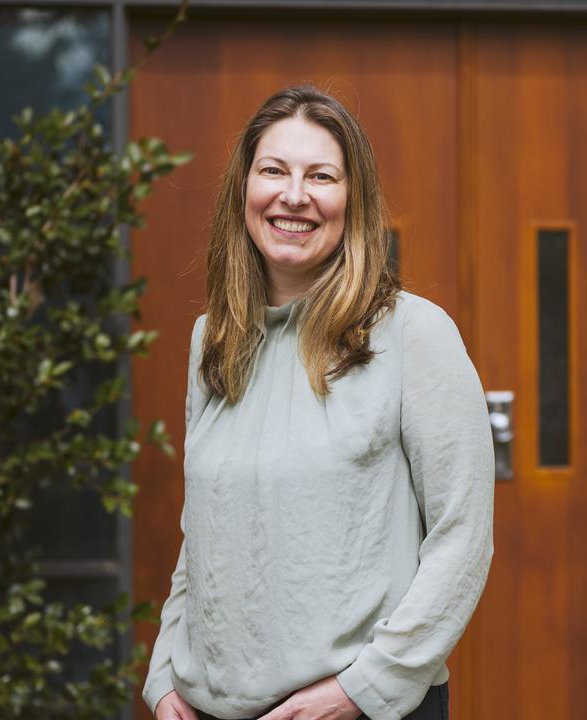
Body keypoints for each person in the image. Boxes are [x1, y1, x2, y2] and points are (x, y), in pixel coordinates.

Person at [143, 85, 495, 720]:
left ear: (351, 201)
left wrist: (364, 690)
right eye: (273, 170)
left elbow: (462, 539)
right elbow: (203, 535)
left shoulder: (414, 334)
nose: (294, 195)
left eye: (321, 175)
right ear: (242, 190)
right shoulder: (213, 342)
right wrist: (165, 671)